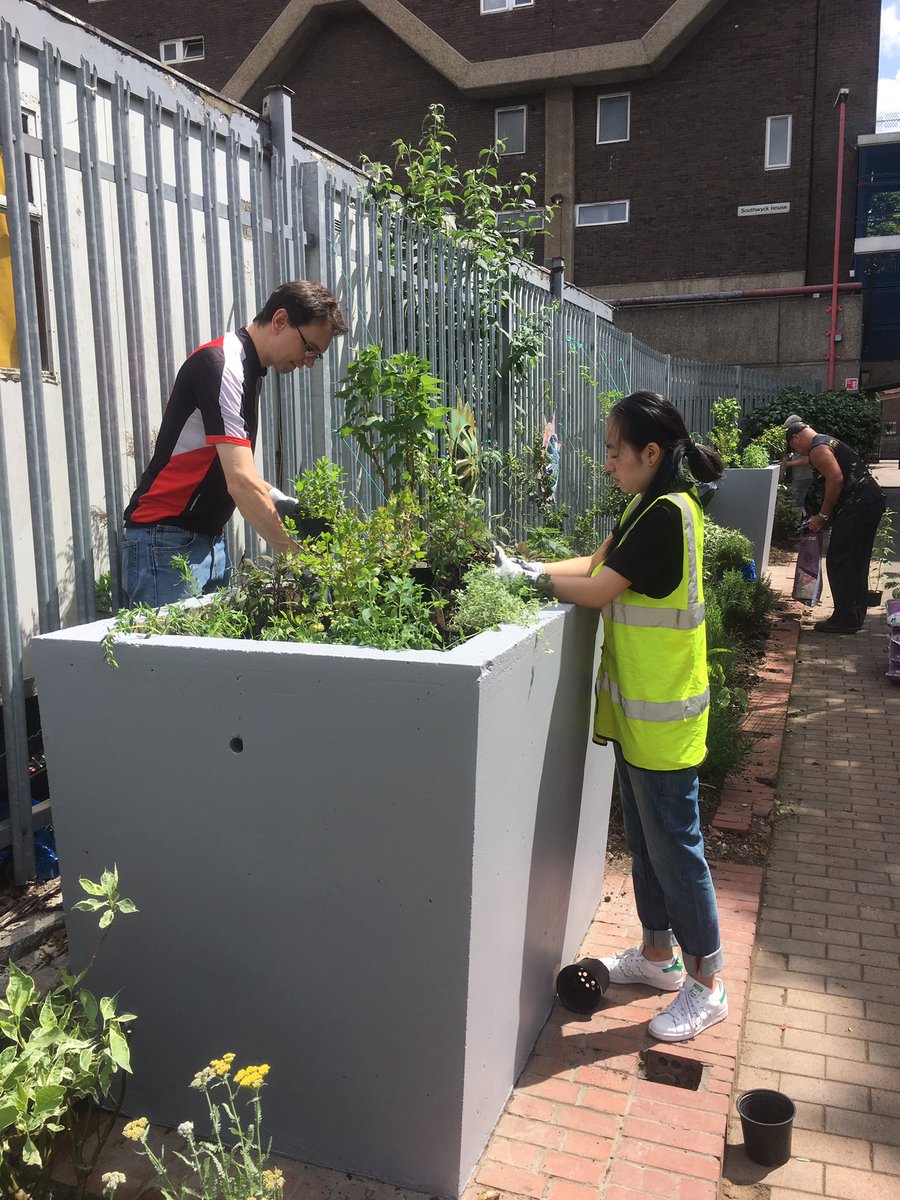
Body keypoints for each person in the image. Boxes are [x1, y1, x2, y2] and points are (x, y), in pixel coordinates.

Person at [496, 390, 727, 1043]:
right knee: (652, 849)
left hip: (664, 720)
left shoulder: (664, 514)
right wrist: (528, 568)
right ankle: (659, 959)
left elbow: (595, 591)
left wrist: (531, 584)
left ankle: (709, 984)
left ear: (651, 453)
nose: (607, 464)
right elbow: (597, 566)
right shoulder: (643, 505)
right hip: (639, 717)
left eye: (614, 452)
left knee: (677, 852)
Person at [122, 281, 348, 607]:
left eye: (317, 355)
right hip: (167, 541)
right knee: (176, 657)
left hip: (204, 540)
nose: (309, 362)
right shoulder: (222, 365)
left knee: (206, 655)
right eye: (309, 348)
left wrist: (284, 503)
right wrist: (298, 561)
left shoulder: (248, 370)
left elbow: (232, 470)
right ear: (280, 321)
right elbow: (240, 482)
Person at [783, 414, 886, 633]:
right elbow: (812, 462)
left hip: (858, 504)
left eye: (795, 447)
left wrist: (823, 516)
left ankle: (844, 619)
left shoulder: (818, 449)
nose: (799, 453)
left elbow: (836, 478)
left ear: (796, 439)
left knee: (841, 560)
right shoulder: (824, 442)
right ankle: (854, 616)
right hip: (869, 501)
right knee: (857, 561)